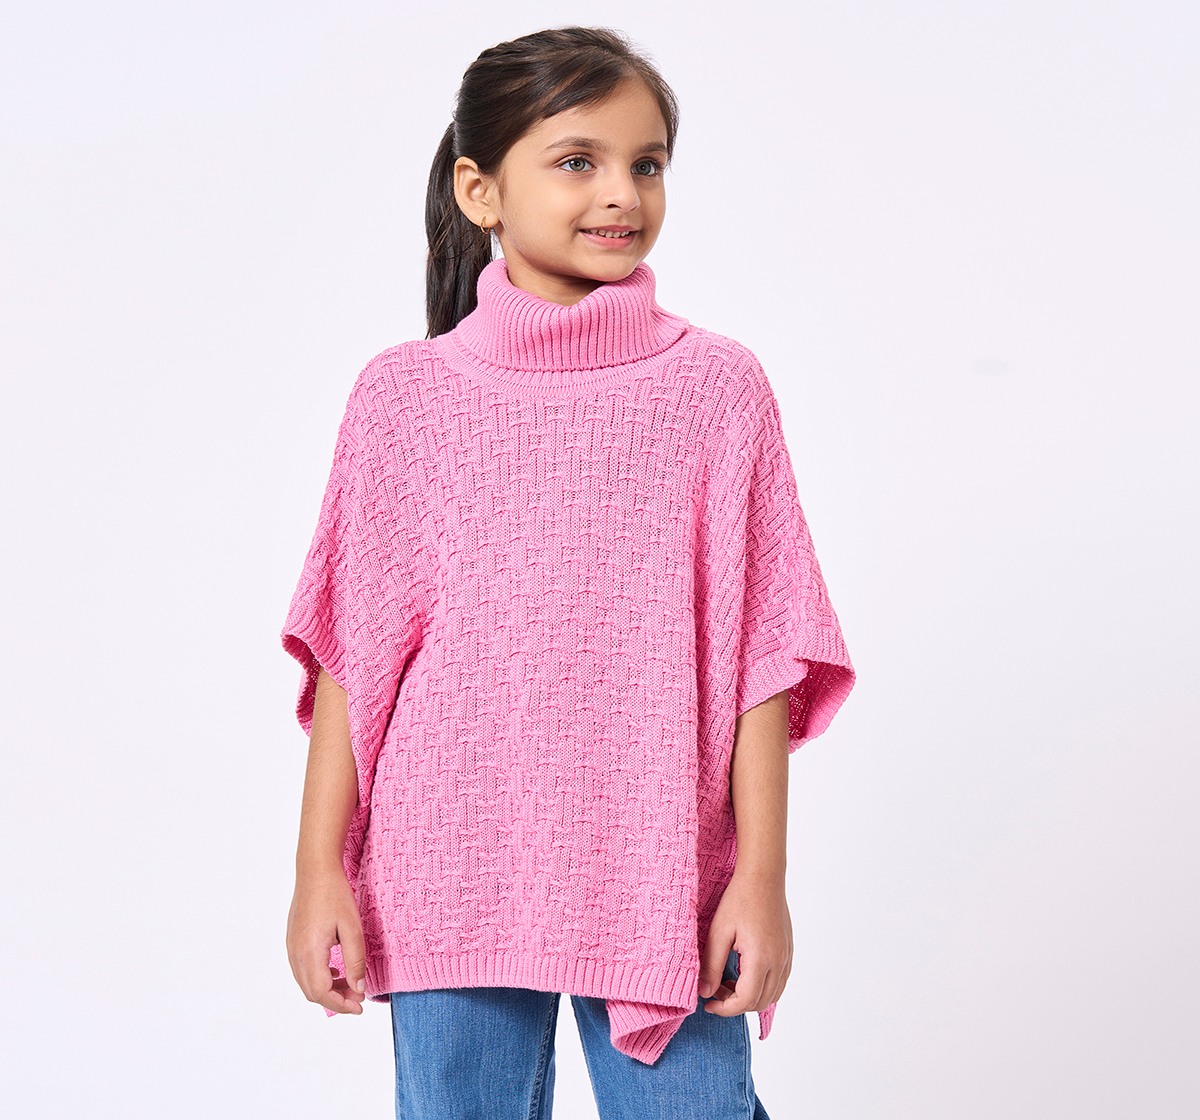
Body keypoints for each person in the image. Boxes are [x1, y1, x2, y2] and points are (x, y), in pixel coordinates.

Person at [281, 25, 856, 1120]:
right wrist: (319, 873)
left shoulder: (716, 390)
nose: (622, 194)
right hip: (448, 855)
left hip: (661, 863)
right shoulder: (403, 398)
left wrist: (762, 878)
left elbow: (761, 656)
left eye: (648, 163)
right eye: (578, 161)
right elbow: (355, 658)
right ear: (480, 190)